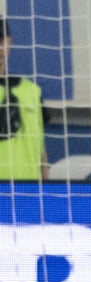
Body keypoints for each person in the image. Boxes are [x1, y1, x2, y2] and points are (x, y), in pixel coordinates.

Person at [0, 17, 50, 181]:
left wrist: (47, 186)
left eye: (1, 40)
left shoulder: (31, 91)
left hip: (29, 193)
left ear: (10, 42)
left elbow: (41, 150)